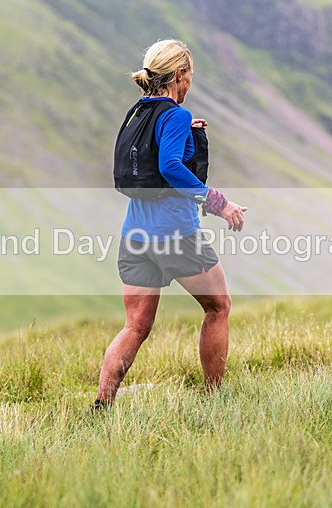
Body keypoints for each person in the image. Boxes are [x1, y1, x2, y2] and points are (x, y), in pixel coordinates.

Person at [91, 39, 247, 411]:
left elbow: (153, 155)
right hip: (176, 236)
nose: (190, 83)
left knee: (135, 326)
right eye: (189, 76)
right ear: (179, 75)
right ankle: (215, 401)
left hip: (135, 237)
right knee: (218, 307)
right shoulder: (174, 114)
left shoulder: (137, 113)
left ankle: (102, 405)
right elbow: (169, 168)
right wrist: (218, 203)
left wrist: (184, 130)